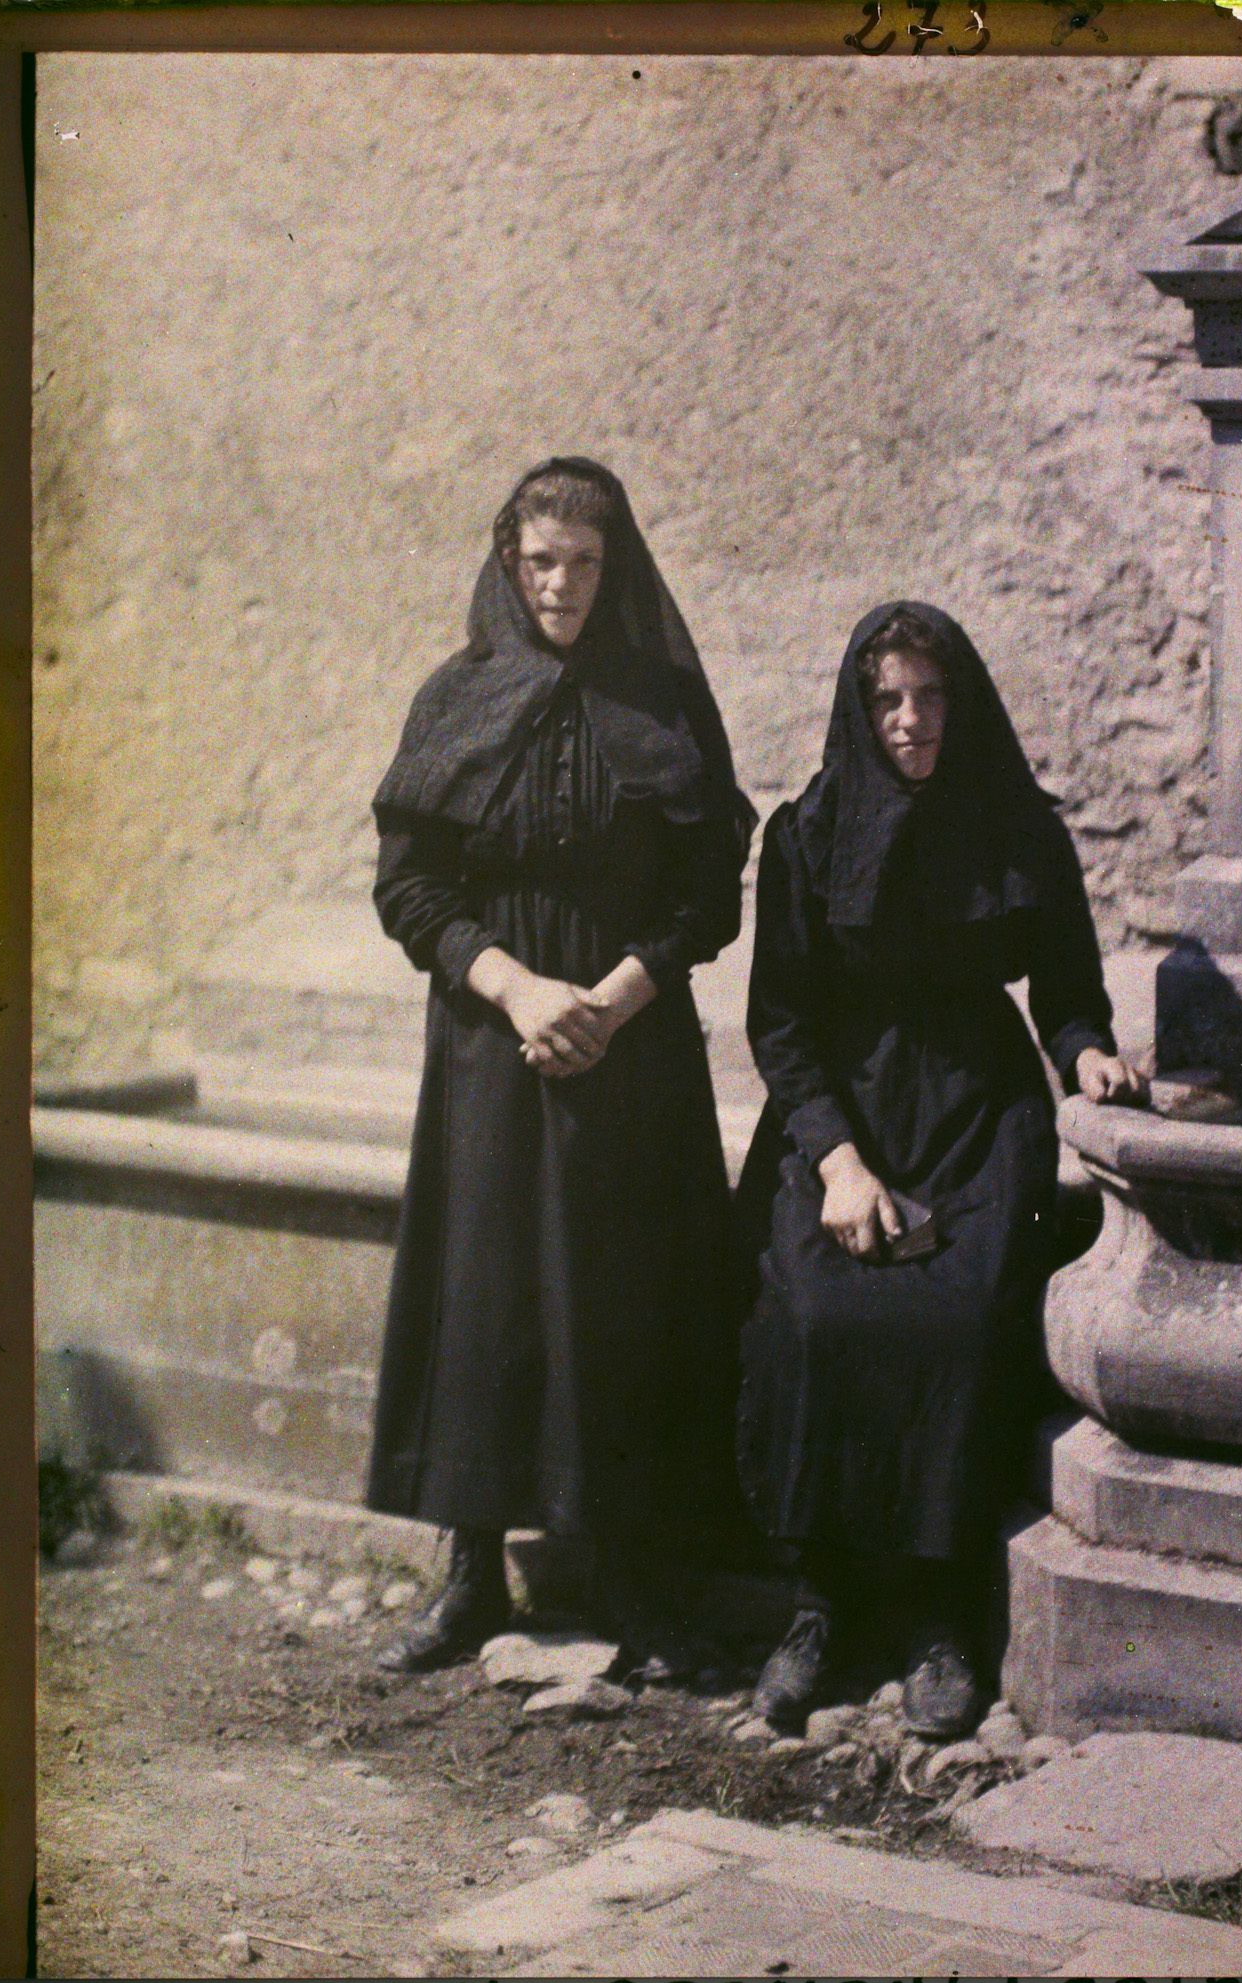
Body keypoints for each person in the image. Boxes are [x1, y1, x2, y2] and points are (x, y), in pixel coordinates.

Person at [368, 457, 755, 1675]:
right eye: (539, 560)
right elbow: (409, 885)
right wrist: (517, 985)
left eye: (583, 563)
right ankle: (473, 1572)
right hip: (497, 1037)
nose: (560, 584)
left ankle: (638, 1578)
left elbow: (708, 893)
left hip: (629, 1041)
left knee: (628, 1299)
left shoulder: (665, 705)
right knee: (483, 1295)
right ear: (507, 561)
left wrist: (616, 994)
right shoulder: (455, 698)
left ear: (615, 565)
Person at [735, 601, 1143, 1738]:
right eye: (888, 701)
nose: (911, 721)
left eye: (929, 696)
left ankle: (936, 1615)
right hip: (841, 1116)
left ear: (960, 703)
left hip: (976, 1112)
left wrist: (1086, 1053)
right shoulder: (804, 836)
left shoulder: (1019, 828)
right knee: (815, 1312)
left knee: (958, 1324)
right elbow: (779, 1024)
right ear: (857, 712)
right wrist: (839, 1164)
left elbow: (1064, 987)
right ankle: (816, 1603)